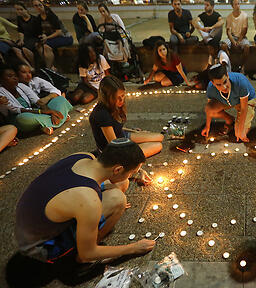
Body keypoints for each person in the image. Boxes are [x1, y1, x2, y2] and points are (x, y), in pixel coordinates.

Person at [15, 138, 155, 265]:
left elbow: (117, 170)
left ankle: (86, 226)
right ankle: (86, 249)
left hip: (31, 222)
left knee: (122, 183)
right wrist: (133, 248)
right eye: (131, 172)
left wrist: (136, 169)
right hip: (40, 247)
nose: (132, 175)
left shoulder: (83, 156)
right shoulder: (88, 200)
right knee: (118, 200)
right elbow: (87, 254)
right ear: (118, 169)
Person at [89, 76, 163, 157]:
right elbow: (115, 146)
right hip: (113, 152)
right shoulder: (102, 114)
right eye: (117, 97)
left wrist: (135, 131)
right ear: (107, 98)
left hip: (122, 136)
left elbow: (115, 127)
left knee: (160, 137)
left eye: (123, 95)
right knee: (158, 145)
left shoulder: (114, 106)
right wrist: (132, 147)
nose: (121, 100)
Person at [0, 65, 70, 135]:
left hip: (36, 114)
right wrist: (48, 112)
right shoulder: (1, 92)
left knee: (60, 99)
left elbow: (38, 102)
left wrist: (51, 113)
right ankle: (61, 119)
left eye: (15, 76)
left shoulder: (21, 85)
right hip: (19, 118)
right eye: (10, 76)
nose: (14, 78)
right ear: (1, 79)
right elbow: (17, 110)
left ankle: (45, 124)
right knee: (23, 118)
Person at [201, 64, 256, 142]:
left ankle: (242, 126)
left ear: (227, 75)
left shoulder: (240, 82)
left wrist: (241, 128)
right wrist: (207, 126)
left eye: (225, 82)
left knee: (239, 134)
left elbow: (244, 108)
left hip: (245, 101)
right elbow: (209, 108)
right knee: (210, 110)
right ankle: (229, 119)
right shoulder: (211, 88)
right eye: (218, 85)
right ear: (213, 83)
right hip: (227, 101)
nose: (224, 87)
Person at [15, 1, 55, 69]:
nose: (19, 11)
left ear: (26, 10)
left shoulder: (34, 19)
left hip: (33, 38)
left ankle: (41, 66)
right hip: (25, 38)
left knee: (30, 48)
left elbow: (40, 32)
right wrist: (21, 40)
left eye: (21, 9)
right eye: (17, 10)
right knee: (17, 49)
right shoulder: (19, 19)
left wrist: (42, 36)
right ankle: (31, 66)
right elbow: (20, 31)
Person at [192, 0, 224, 65]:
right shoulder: (203, 15)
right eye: (205, 5)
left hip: (215, 36)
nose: (205, 7)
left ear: (212, 6)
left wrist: (211, 27)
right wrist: (202, 28)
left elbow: (222, 21)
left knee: (220, 26)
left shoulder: (216, 15)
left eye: (207, 5)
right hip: (206, 34)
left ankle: (207, 39)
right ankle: (208, 39)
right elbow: (194, 21)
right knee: (197, 24)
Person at [222, 0, 250, 73]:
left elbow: (244, 30)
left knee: (247, 47)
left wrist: (239, 41)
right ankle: (231, 63)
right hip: (232, 37)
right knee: (223, 46)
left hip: (242, 37)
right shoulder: (229, 17)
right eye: (235, 4)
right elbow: (228, 32)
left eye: (238, 4)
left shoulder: (244, 15)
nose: (237, 6)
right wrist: (233, 41)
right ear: (232, 6)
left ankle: (243, 66)